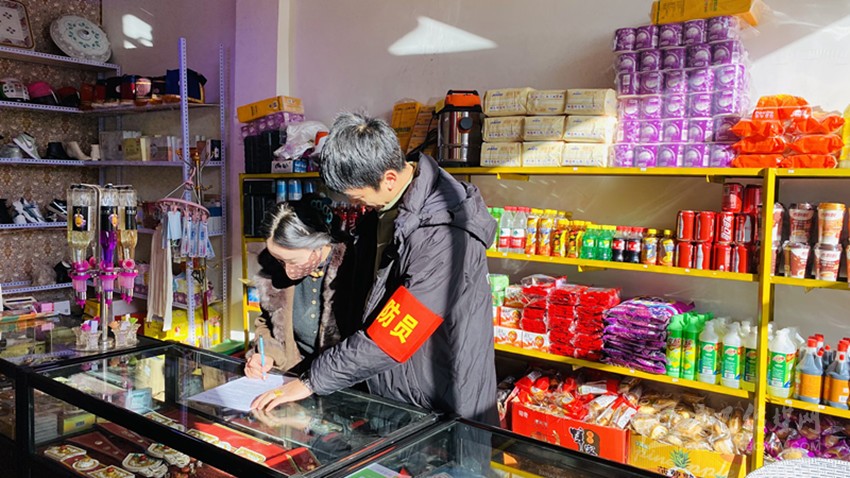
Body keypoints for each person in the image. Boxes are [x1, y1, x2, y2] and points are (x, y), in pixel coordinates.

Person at [251, 112, 499, 425]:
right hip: (397, 394)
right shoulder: (385, 213)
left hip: (443, 402)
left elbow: (394, 334)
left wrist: (311, 381)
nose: (357, 206)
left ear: (389, 179)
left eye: (358, 197)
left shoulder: (443, 238)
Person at [244, 197, 363, 379]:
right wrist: (266, 354)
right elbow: (267, 322)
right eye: (279, 260)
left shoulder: (353, 270)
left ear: (318, 244)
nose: (286, 270)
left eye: (292, 261)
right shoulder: (276, 275)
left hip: (341, 379)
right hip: (293, 375)